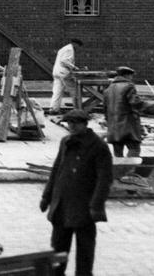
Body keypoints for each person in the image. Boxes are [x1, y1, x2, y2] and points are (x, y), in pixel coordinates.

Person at [39, 109, 112, 276]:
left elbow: (104, 179)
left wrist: (96, 205)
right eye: (69, 123)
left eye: (75, 124)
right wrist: (46, 196)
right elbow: (57, 169)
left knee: (85, 252)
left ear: (85, 124)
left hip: (84, 207)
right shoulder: (66, 142)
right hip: (62, 205)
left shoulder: (98, 146)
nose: (71, 126)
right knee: (58, 250)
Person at [102, 65, 144, 157]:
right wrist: (153, 109)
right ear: (127, 75)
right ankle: (129, 169)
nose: (132, 78)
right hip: (128, 128)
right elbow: (136, 103)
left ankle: (119, 171)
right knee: (134, 150)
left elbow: (105, 110)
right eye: (131, 76)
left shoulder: (108, 90)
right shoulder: (129, 87)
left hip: (113, 129)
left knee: (118, 155)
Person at [47, 38, 83, 114]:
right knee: (74, 91)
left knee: (57, 91)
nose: (78, 49)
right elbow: (64, 60)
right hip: (63, 73)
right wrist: (74, 67)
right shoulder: (70, 49)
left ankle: (53, 109)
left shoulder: (63, 48)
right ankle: (77, 109)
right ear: (76, 44)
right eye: (79, 46)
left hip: (57, 72)